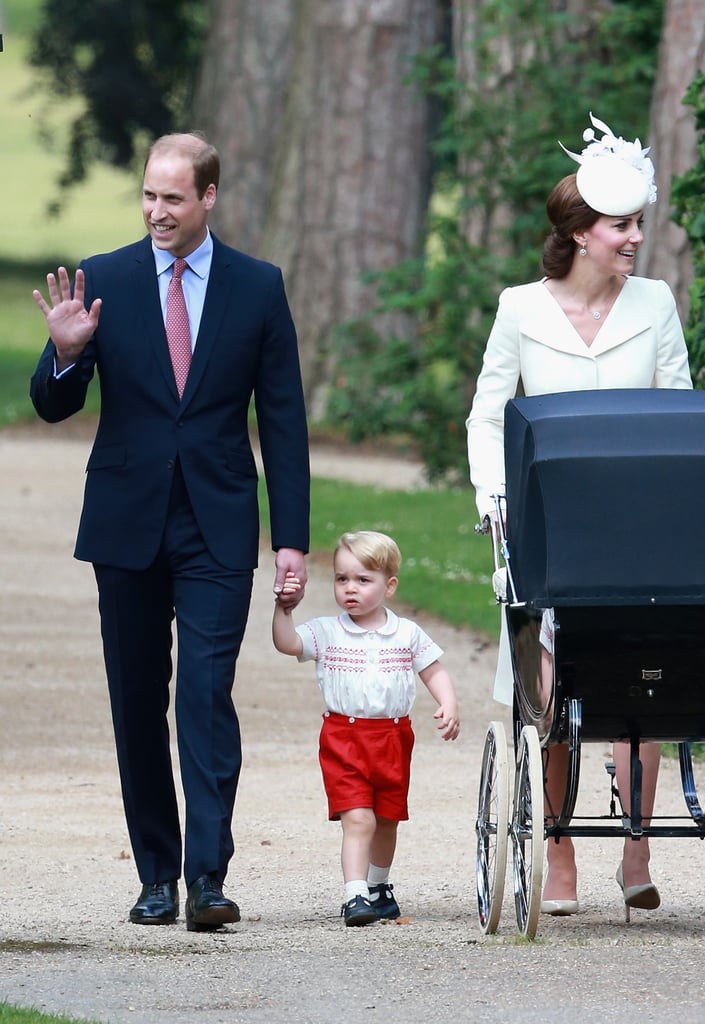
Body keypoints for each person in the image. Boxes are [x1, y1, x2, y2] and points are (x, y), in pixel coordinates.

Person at [29, 132, 310, 931]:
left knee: (206, 692)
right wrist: (63, 352)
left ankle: (207, 879)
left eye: (173, 198)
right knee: (136, 698)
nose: (157, 211)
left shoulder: (258, 287)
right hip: (126, 523)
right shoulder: (103, 279)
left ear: (209, 198)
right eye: (148, 196)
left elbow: (283, 420)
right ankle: (155, 874)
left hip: (218, 522)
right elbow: (53, 405)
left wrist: (291, 538)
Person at [466, 113, 692, 920]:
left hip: (636, 526)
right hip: (548, 525)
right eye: (620, 225)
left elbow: (679, 412)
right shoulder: (520, 307)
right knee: (551, 691)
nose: (634, 237)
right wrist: (493, 496)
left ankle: (635, 849)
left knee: (644, 684)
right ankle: (556, 850)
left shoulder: (656, 303)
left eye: (637, 223)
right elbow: (489, 411)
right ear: (580, 232)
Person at [272, 530, 460, 926]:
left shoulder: (406, 633)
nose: (350, 589)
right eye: (342, 579)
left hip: (393, 737)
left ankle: (378, 886)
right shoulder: (327, 631)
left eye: (363, 580)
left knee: (388, 817)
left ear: (389, 586)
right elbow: (287, 644)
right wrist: (284, 611)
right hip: (345, 737)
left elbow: (433, 670)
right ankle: (354, 895)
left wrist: (447, 702)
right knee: (359, 818)